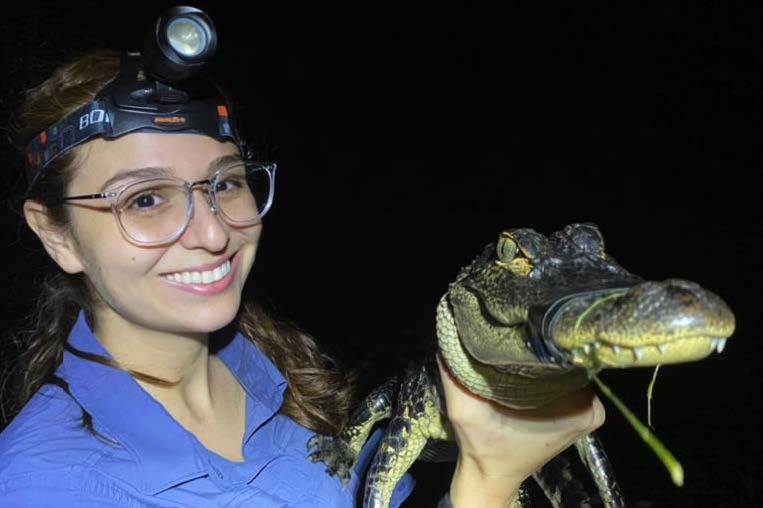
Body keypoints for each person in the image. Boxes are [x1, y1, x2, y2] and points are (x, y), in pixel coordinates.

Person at [0, 14, 604, 508]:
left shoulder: (281, 373)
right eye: (146, 199)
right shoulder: (43, 486)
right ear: (57, 236)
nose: (214, 233)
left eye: (226, 183)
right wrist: (488, 483)